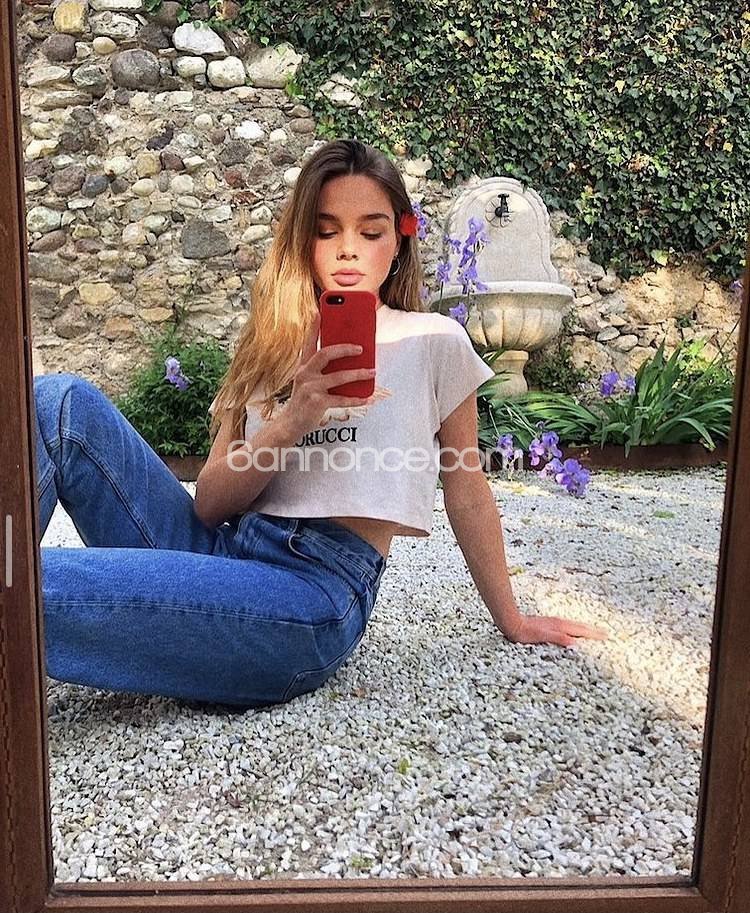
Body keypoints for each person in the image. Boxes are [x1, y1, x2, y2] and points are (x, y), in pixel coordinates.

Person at [33, 138, 607, 710]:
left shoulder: (435, 340)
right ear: (303, 241)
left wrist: (512, 618)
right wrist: (292, 419)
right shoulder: (269, 349)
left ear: (400, 240)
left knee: (32, 583)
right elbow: (208, 505)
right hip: (222, 551)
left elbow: (466, 484)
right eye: (327, 231)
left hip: (311, 594)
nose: (348, 250)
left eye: (371, 232)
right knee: (60, 401)